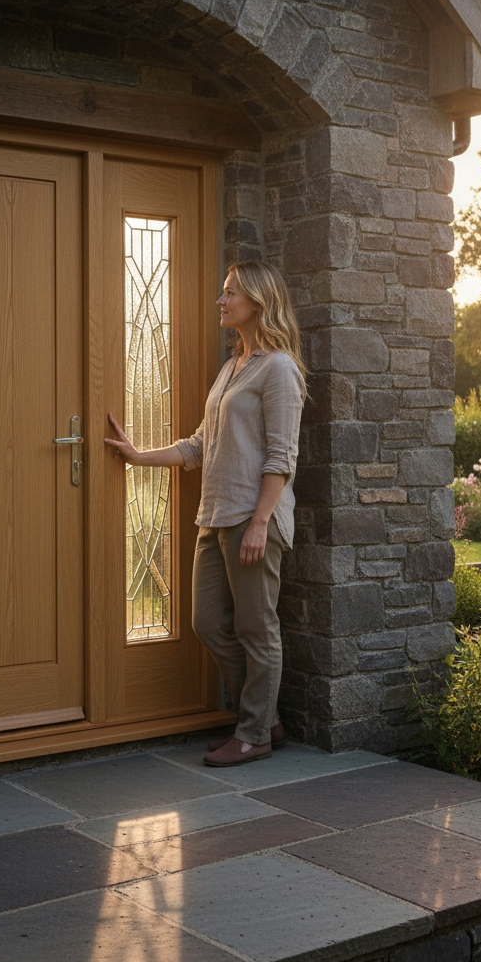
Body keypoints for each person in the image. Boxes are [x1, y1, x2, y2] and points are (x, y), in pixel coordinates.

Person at [104, 260, 306, 767]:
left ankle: (255, 731)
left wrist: (261, 521)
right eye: (223, 292)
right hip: (214, 516)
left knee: (257, 629)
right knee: (207, 623)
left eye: (230, 293)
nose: (221, 301)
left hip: (252, 518)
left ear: (258, 301)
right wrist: (139, 456)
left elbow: (283, 456)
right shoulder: (232, 367)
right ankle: (264, 718)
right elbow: (199, 445)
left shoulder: (279, 368)